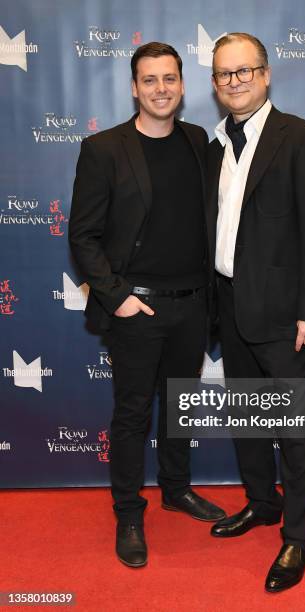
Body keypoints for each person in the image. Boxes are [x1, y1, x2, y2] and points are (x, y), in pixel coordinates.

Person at [69, 42, 225, 568]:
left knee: (179, 407)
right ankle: (129, 512)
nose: (161, 88)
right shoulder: (103, 148)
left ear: (183, 86)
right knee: (133, 414)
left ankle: (176, 488)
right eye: (149, 80)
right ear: (134, 88)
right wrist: (119, 299)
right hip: (137, 310)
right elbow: (83, 236)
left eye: (170, 79)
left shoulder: (197, 139)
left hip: (193, 306)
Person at [207, 33, 305, 592]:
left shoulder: (302, 137)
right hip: (228, 303)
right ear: (214, 85)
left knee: (291, 428)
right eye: (223, 74)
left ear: (265, 74)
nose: (234, 81)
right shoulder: (213, 144)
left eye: (244, 71)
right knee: (247, 417)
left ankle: (300, 535)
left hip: (285, 313)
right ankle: (261, 503)